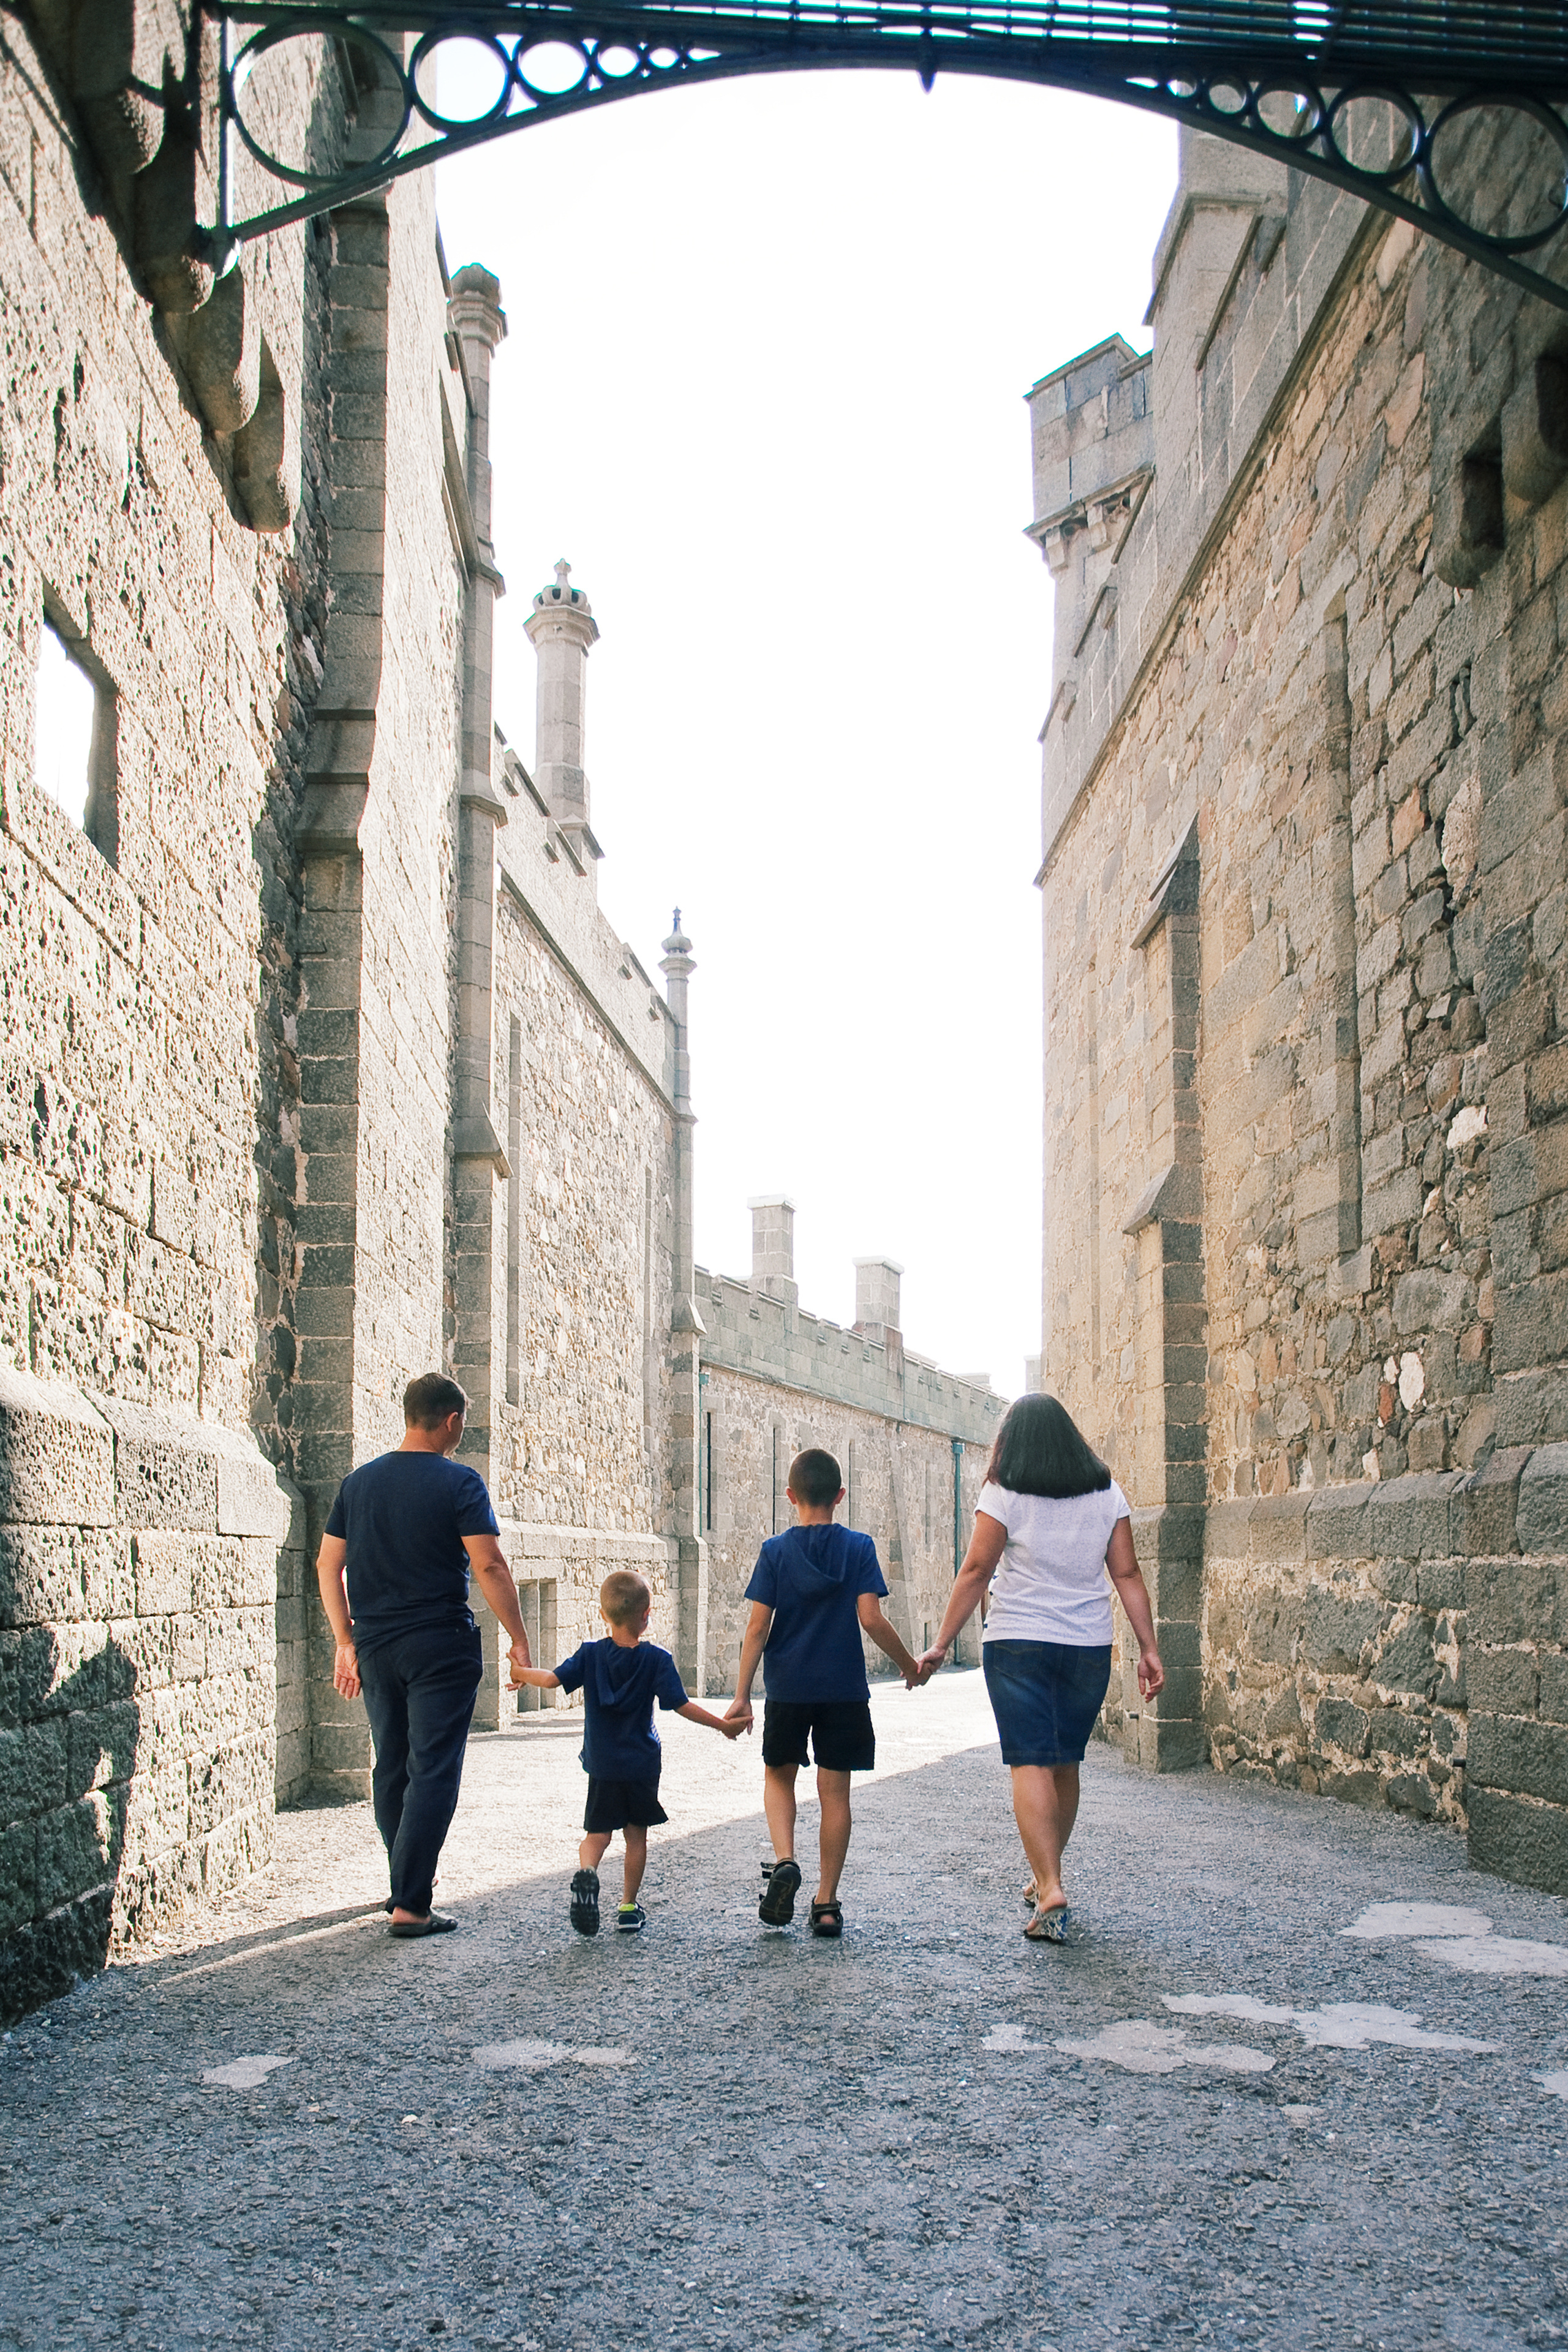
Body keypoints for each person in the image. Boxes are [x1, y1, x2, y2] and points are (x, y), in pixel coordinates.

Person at [918, 1393, 1163, 1943]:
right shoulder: (1107, 1493)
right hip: (1086, 1645)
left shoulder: (1004, 1490)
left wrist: (941, 1643)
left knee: (1029, 1760)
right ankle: (1045, 1874)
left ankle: (1050, 1884)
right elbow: (1127, 1574)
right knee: (1065, 1762)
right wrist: (1149, 1648)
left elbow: (977, 1570)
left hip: (1018, 1641)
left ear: (1014, 1441)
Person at [315, 1371, 532, 1938]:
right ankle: (411, 1905)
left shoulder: (358, 1484)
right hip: (440, 1644)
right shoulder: (460, 1482)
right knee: (433, 1766)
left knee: (392, 1764)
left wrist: (345, 1640)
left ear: (409, 1414)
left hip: (376, 1645)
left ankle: (404, 1881)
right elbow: (490, 1565)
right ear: (452, 1421)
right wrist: (518, 1636)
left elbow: (327, 1566)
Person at [725, 1447, 925, 1938]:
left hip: (788, 1687)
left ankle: (785, 1860)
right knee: (835, 1794)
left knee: (779, 1776)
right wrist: (909, 1665)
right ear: (840, 1495)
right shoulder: (858, 1547)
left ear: (790, 1496)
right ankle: (827, 1903)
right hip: (843, 1689)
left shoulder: (775, 1551)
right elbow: (871, 1619)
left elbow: (757, 1628)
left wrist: (742, 1695)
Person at [511, 1569, 744, 1934]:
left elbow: (553, 1680)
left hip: (603, 1764)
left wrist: (521, 1672)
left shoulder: (590, 1655)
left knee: (597, 1835)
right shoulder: (657, 1659)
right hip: (641, 1765)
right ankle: (628, 1908)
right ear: (646, 1616)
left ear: (603, 1614)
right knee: (636, 1838)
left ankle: (588, 1873)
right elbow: (682, 1706)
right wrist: (723, 1725)